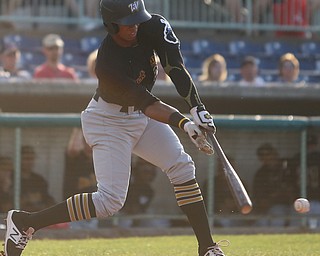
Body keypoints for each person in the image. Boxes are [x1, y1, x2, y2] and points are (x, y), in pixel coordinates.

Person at [3, 1, 227, 256]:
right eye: (126, 23)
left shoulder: (153, 25)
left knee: (182, 166)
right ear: (111, 24)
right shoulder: (106, 63)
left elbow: (175, 67)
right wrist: (183, 122)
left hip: (140, 117)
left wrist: (196, 107)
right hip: (108, 120)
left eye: (136, 19)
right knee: (109, 202)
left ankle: (207, 247)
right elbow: (147, 102)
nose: (134, 27)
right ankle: (25, 222)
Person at [252, 143, 298, 227]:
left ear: (275, 153)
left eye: (268, 154)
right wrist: (275, 195)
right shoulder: (261, 174)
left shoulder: (288, 166)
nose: (266, 157)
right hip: (275, 207)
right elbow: (261, 201)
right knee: (274, 217)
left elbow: (296, 186)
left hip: (295, 204)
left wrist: (289, 191)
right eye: (262, 155)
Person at [289, 133, 320, 229]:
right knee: (295, 227)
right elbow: (291, 180)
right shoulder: (296, 159)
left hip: (316, 200)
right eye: (309, 144)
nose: (310, 147)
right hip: (299, 199)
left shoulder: (297, 158)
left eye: (312, 144)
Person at [120, 157, 157, 227]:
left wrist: (137, 211)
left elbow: (141, 208)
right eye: (145, 172)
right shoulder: (129, 185)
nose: (148, 176)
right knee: (126, 223)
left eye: (150, 173)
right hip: (122, 213)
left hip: (138, 215)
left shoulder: (149, 191)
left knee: (152, 223)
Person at [19, 145, 56, 212]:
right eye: (26, 159)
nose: (29, 162)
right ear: (19, 159)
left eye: (32, 159)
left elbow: (47, 199)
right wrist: (28, 198)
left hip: (37, 215)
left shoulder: (39, 179)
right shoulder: (12, 178)